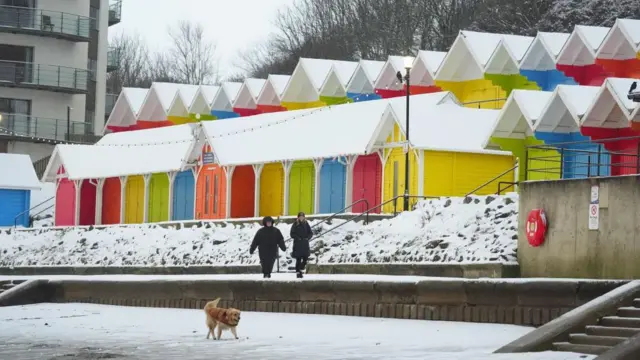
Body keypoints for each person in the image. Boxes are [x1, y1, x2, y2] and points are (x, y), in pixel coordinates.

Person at [290, 212, 312, 278]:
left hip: (305, 244)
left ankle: (300, 268)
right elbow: (292, 233)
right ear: (298, 217)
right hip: (298, 244)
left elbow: (310, 232)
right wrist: (297, 237)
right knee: (298, 259)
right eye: (300, 216)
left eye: (303, 216)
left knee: (305, 258)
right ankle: (298, 272)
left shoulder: (306, 223)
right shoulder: (295, 224)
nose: (301, 217)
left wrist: (307, 238)